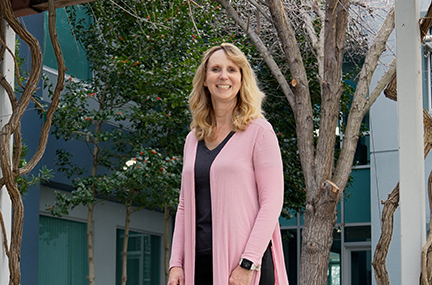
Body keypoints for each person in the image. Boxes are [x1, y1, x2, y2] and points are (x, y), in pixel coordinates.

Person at [167, 43, 289, 285]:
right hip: (198, 264)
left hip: (243, 265)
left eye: (232, 69)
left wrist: (248, 262)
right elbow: (184, 206)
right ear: (204, 79)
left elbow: (272, 202)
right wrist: (176, 264)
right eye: (216, 69)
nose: (224, 76)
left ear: (242, 79)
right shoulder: (193, 139)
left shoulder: (259, 132)